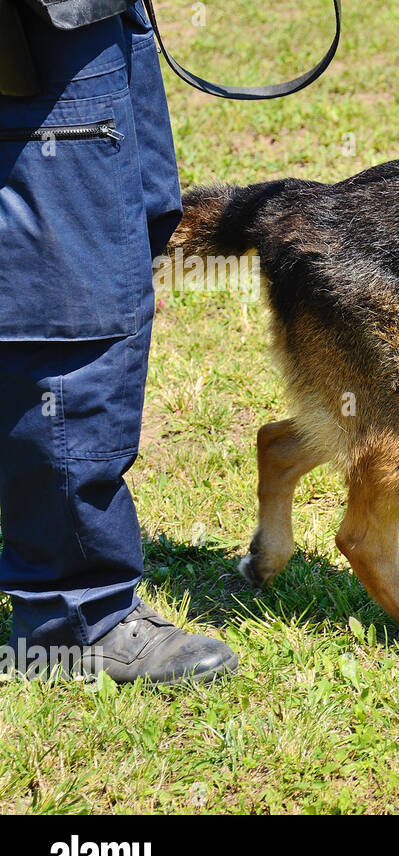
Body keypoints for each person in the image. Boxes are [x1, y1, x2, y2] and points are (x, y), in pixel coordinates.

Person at [0, 0, 238, 683]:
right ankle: (73, 616)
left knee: (136, 218)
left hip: (93, 18)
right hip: (38, 24)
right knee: (68, 290)